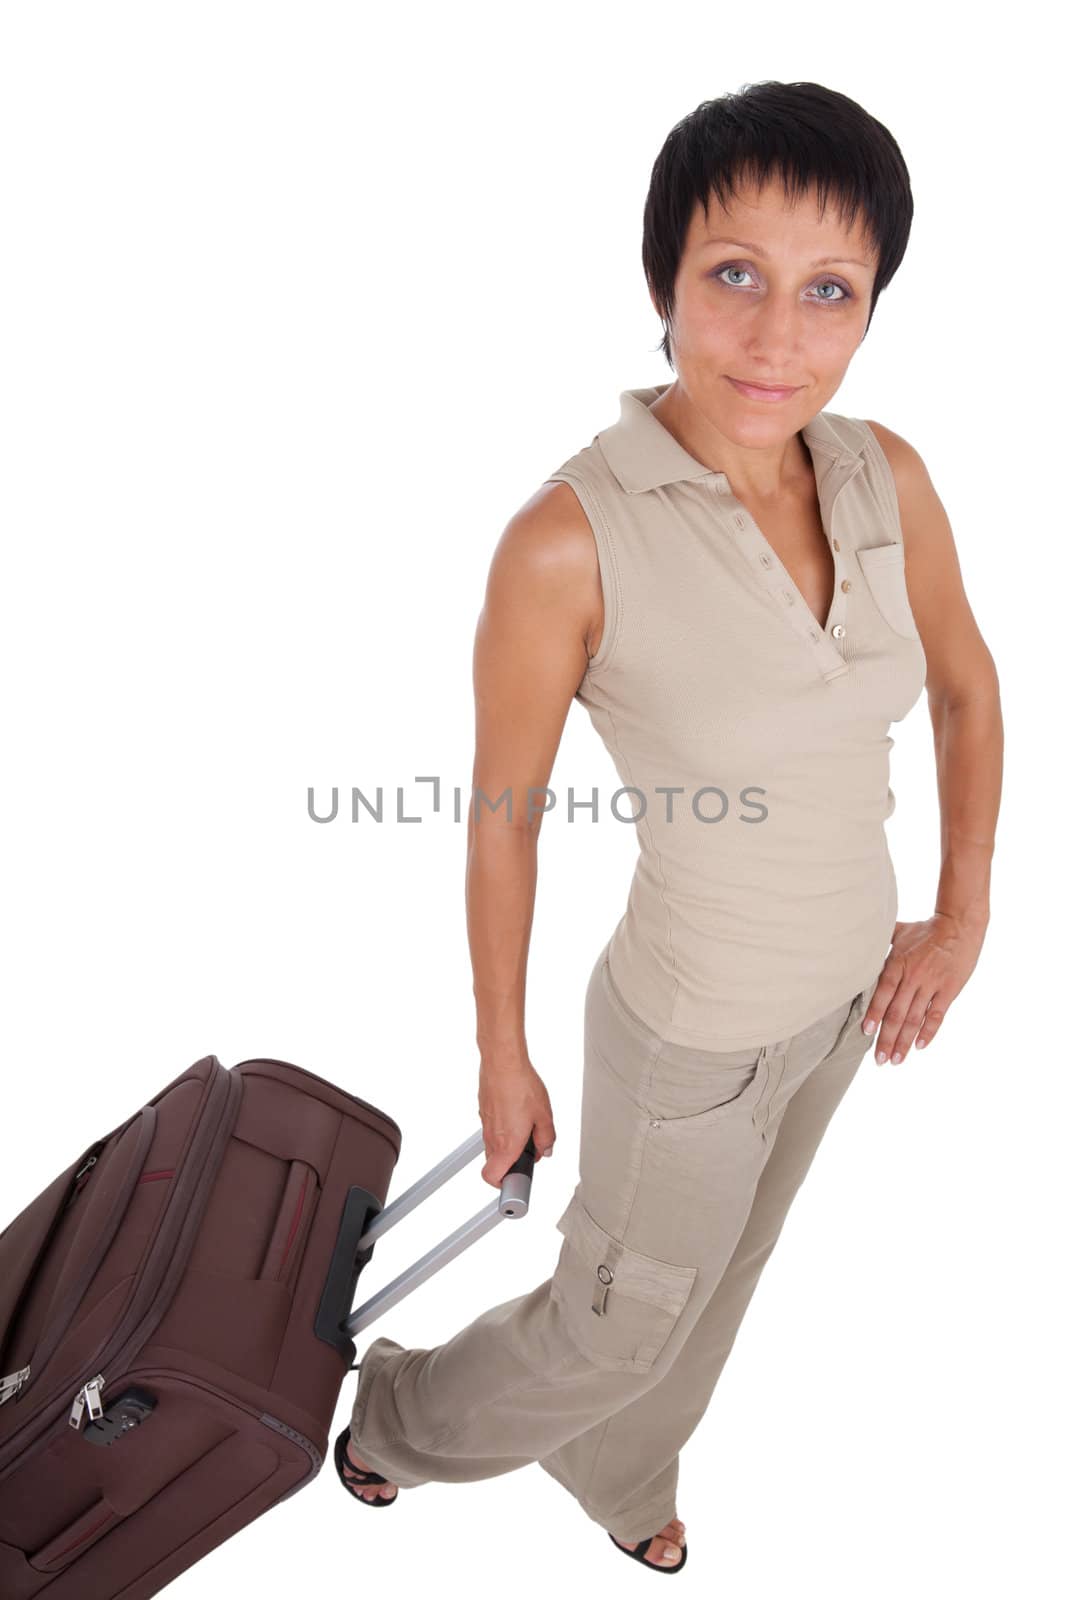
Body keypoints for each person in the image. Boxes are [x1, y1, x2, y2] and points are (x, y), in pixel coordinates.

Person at [334, 80, 1003, 1573]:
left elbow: (967, 690)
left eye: (830, 291)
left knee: (719, 1293)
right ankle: (396, 1425)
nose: (778, 337)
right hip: (690, 1039)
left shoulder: (886, 475)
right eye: (735, 278)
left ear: (874, 305)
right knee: (612, 1322)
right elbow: (502, 818)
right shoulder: (569, 536)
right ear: (665, 283)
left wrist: (960, 917)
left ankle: (624, 1483)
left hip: (844, 1002)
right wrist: (500, 1053)